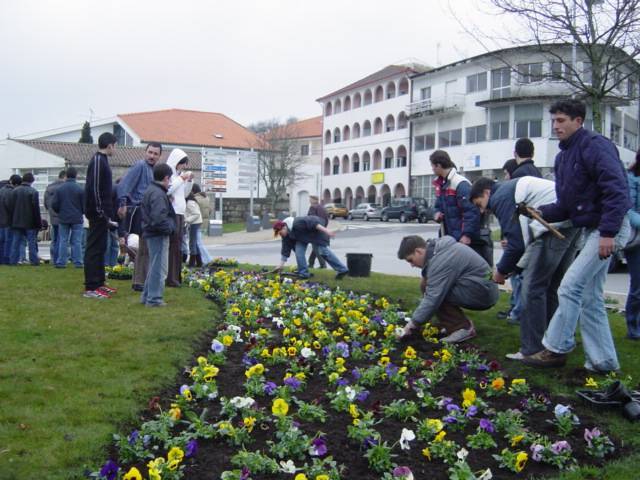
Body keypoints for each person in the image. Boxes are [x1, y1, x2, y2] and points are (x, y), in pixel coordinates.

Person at [523, 99, 631, 372]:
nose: (556, 126)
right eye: (554, 121)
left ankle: (557, 347)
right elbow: (566, 206)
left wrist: (608, 233)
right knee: (590, 297)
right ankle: (604, 362)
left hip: (610, 227)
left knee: (569, 286)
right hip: (593, 229)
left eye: (561, 120)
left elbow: (616, 191)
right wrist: (539, 212)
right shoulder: (563, 158)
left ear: (578, 121)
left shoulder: (595, 146)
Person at [470, 176, 579, 360]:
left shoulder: (500, 196)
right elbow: (526, 240)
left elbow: (517, 244)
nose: (483, 210)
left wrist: (501, 271)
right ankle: (555, 344)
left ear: (487, 192)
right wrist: (516, 268)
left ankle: (532, 349)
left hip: (553, 225)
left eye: (479, 203)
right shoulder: (512, 189)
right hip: (571, 221)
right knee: (553, 288)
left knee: (532, 289)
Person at [396, 235, 499, 343]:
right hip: (479, 287)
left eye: (410, 260)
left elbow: (432, 298)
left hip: (484, 294)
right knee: (427, 285)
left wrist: (411, 326)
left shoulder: (440, 260)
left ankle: (462, 328)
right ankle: (452, 324)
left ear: (418, 251)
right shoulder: (438, 251)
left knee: (436, 293)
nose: (412, 265)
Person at [430, 150, 492, 265]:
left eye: (432, 166)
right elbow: (437, 206)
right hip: (450, 238)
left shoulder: (460, 184)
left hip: (463, 240)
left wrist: (466, 235)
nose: (432, 169)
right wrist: (436, 214)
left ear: (438, 165)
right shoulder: (442, 185)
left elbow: (471, 211)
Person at [116, 142, 162, 291]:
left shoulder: (154, 170)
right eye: (150, 152)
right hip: (138, 210)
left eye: (155, 154)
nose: (152, 156)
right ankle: (140, 281)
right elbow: (125, 185)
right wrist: (122, 203)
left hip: (148, 211)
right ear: (145, 152)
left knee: (145, 248)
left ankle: (140, 281)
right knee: (144, 247)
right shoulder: (140, 166)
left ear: (159, 156)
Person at [83, 132, 118, 299]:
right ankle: (91, 287)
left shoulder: (103, 161)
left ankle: (100, 283)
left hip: (103, 214)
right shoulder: (97, 160)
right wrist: (100, 211)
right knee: (94, 249)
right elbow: (94, 188)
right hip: (98, 214)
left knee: (101, 248)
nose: (115, 149)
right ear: (109, 145)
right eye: (115, 145)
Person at [140, 163, 176, 307]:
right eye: (170, 179)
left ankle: (147, 295)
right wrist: (170, 228)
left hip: (151, 233)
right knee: (159, 269)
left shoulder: (152, 190)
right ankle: (154, 299)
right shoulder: (158, 194)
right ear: (166, 178)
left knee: (154, 265)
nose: (171, 182)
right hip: (158, 234)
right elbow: (159, 218)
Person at [272, 215, 349, 279]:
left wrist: (326, 231)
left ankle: (342, 270)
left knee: (323, 251)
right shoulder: (286, 235)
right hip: (302, 238)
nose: (280, 235)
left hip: (317, 232)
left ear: (284, 227)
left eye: (280, 233)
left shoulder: (297, 223)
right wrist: (280, 265)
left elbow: (313, 223)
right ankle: (303, 273)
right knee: (299, 252)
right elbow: (285, 249)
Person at [165, 148, 194, 287]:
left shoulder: (177, 175)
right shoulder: (169, 174)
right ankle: (170, 277)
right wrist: (182, 178)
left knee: (178, 247)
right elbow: (168, 189)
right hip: (173, 213)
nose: (183, 167)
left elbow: (185, 194)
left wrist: (189, 181)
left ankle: (175, 276)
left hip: (180, 213)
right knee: (173, 246)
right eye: (182, 164)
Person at [52, 167, 84, 268]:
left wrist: (60, 211)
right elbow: (84, 204)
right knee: (77, 241)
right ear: (76, 175)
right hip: (77, 218)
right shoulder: (80, 189)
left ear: (66, 175)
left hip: (63, 217)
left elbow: (54, 204)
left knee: (63, 240)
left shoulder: (60, 189)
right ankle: (78, 262)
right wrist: (81, 211)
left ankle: (61, 262)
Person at [7, 172, 42, 266]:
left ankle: (13, 261)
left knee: (16, 242)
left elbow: (11, 208)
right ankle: (34, 261)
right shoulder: (33, 191)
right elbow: (36, 210)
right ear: (32, 181)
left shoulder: (14, 191)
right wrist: (39, 224)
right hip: (30, 222)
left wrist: (11, 220)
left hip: (16, 221)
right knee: (31, 242)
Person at [625, 151, 640, 340]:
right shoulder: (631, 179)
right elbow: (628, 210)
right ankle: (634, 326)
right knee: (638, 286)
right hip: (637, 241)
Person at [44, 170, 66, 265]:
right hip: (62, 216)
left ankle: (53, 258)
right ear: (64, 177)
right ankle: (59, 259)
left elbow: (45, 203)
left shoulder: (49, 187)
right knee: (62, 239)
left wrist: (50, 210)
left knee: (54, 239)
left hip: (52, 216)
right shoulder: (64, 187)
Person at [0, 175, 21, 264]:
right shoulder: (10, 192)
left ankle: (1, 259)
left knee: (2, 241)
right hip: (8, 220)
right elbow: (10, 207)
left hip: (1, 220)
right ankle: (7, 259)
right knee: (8, 241)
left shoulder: (1, 190)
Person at [307, 195, 328, 269]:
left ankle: (323, 265)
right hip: (322, 229)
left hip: (315, 230)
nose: (309, 200)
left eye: (310, 199)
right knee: (315, 248)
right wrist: (324, 228)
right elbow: (326, 219)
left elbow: (311, 219)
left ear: (314, 200)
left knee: (316, 248)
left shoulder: (313, 207)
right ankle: (311, 263)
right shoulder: (322, 208)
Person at [185, 190, 203, 267]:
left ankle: (192, 263)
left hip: (194, 223)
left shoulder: (189, 203)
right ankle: (199, 262)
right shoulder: (192, 202)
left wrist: (187, 220)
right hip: (196, 222)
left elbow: (196, 214)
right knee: (194, 243)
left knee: (192, 243)